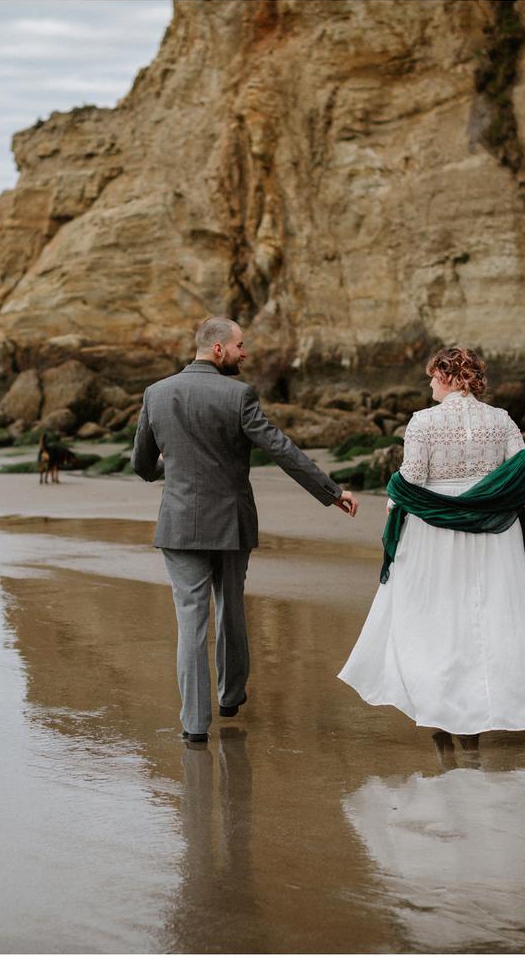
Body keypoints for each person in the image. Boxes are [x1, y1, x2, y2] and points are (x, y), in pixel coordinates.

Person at [338, 346, 525, 752]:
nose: (430, 384)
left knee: (436, 617)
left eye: (434, 376)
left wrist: (393, 501)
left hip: (435, 534)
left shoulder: (423, 422)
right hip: (493, 531)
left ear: (451, 377)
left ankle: (441, 710)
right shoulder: (501, 419)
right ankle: (477, 714)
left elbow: (412, 478)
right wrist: (489, 497)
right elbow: (524, 469)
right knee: (488, 617)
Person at [133, 317, 360, 743]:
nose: (245, 353)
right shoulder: (238, 396)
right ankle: (231, 695)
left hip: (179, 522)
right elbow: (280, 448)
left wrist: (172, 467)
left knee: (190, 623)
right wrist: (331, 491)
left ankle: (194, 725)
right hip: (231, 522)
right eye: (240, 346)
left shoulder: (156, 393)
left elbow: (142, 464)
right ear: (218, 349)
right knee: (231, 606)